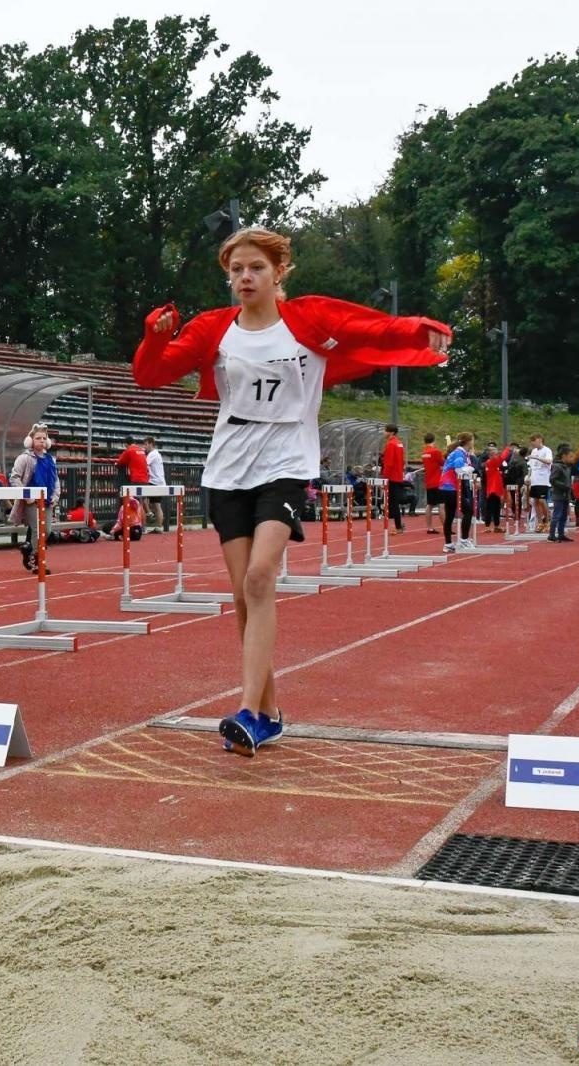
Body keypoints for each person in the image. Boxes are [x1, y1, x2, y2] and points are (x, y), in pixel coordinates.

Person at [133, 225, 449, 756]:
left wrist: (421, 328)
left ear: (279, 272)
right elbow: (149, 375)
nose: (245, 277)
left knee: (261, 577)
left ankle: (248, 711)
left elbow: (372, 328)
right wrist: (156, 336)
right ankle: (271, 714)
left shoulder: (308, 320)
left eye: (255, 267)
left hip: (286, 465)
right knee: (243, 595)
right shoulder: (216, 330)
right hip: (228, 471)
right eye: (235, 270)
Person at [10, 424, 59, 574]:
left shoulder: (51, 459)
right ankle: (37, 561)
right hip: (32, 501)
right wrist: (27, 496)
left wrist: (56, 496)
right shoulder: (24, 458)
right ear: (30, 440)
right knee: (38, 531)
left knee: (47, 530)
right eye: (38, 438)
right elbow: (14, 478)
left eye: (44, 438)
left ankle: (29, 550)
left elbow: (56, 480)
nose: (42, 441)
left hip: (48, 500)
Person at [438, 432, 476, 553]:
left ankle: (448, 543)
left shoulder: (461, 453)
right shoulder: (459, 453)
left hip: (447, 486)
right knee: (468, 511)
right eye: (472, 440)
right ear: (468, 441)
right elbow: (459, 469)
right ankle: (464, 540)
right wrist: (470, 470)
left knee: (449, 515)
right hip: (450, 487)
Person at [380, 424, 406, 534]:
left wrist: (384, 478)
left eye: (385, 431)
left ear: (391, 432)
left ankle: (398, 526)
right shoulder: (399, 443)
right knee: (394, 502)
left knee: (393, 503)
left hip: (391, 476)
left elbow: (389, 463)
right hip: (398, 475)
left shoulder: (391, 444)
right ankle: (399, 524)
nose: (383, 432)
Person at [547, 443, 573, 542]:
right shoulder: (557, 466)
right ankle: (551, 534)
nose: (571, 458)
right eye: (569, 456)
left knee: (563, 516)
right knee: (557, 515)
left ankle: (561, 534)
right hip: (559, 494)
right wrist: (564, 486)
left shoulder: (566, 466)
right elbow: (552, 479)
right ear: (564, 456)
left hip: (566, 494)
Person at [420, 432, 443, 534]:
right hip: (437, 481)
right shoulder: (436, 451)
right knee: (442, 505)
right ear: (434, 440)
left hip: (429, 481)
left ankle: (429, 527)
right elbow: (443, 462)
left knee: (429, 505)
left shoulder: (424, 452)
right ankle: (446, 527)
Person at [143, 435, 167, 532]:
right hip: (158, 482)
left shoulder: (152, 454)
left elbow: (144, 464)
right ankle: (159, 527)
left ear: (151, 444)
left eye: (145, 444)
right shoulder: (157, 454)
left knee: (141, 497)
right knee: (156, 505)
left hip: (155, 482)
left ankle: (149, 514)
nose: (144, 447)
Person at [481, 444, 505, 533]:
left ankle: (496, 526)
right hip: (492, 489)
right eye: (495, 452)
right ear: (491, 454)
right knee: (490, 508)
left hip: (495, 489)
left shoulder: (491, 463)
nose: (497, 454)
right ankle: (488, 526)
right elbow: (502, 458)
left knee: (496, 508)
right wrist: (507, 449)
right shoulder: (491, 462)